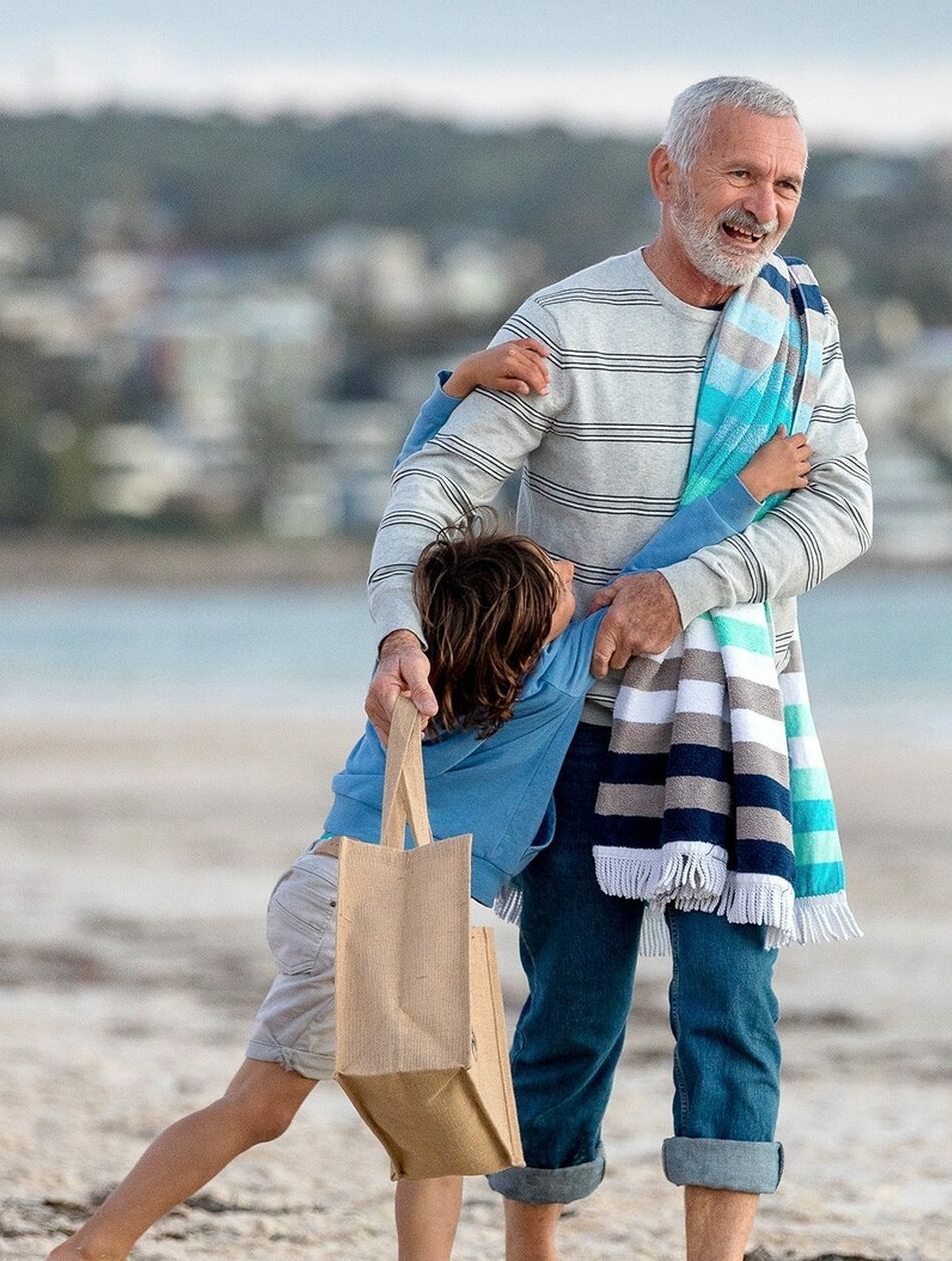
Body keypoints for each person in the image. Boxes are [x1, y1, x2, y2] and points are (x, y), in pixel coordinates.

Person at [47, 343, 813, 1261]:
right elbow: (657, 566)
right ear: (531, 632)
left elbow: (418, 489)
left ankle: (97, 1245)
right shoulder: (550, 677)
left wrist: (455, 387)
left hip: (321, 885)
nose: (572, 571)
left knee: (259, 1108)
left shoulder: (419, 668)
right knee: (438, 1137)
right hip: (400, 910)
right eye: (556, 577)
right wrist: (752, 488)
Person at [362, 76, 872, 1261]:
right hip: (578, 721)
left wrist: (677, 589)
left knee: (731, 1010)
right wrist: (399, 631)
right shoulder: (568, 322)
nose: (764, 207)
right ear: (668, 174)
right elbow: (433, 486)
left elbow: (847, 509)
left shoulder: (801, 328)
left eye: (786, 183)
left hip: (734, 728)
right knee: (571, 1013)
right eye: (741, 173)